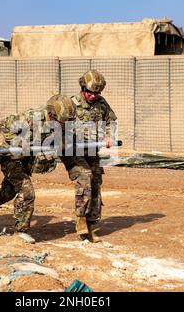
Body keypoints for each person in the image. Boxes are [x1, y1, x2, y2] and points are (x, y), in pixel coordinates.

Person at [0, 94, 77, 241]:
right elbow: (3, 124)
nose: (65, 125)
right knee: (26, 191)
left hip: (28, 160)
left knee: (7, 192)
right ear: (52, 114)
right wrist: (16, 141)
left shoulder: (61, 123)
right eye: (62, 122)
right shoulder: (32, 117)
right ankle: (21, 231)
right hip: (12, 158)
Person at [60, 70, 118, 242]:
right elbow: (58, 123)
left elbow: (111, 121)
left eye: (97, 93)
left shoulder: (102, 104)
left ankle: (92, 224)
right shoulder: (71, 104)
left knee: (96, 181)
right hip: (73, 151)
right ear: (83, 88)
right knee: (85, 177)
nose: (93, 96)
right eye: (90, 92)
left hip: (91, 150)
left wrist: (110, 135)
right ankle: (81, 221)